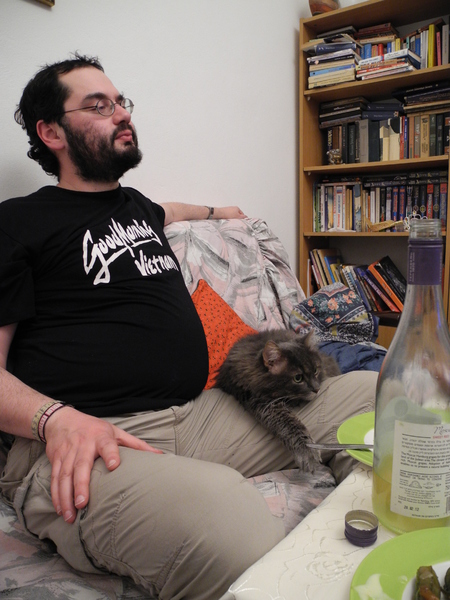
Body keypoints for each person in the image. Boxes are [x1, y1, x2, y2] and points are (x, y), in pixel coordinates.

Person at [0, 54, 377, 600]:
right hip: (91, 441)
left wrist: (221, 212)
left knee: (380, 395)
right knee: (229, 523)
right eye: (98, 106)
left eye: (121, 102)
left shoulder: (137, 207)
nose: (122, 114)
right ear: (51, 132)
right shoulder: (17, 222)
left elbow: (173, 210)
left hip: (202, 415)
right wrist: (55, 420)